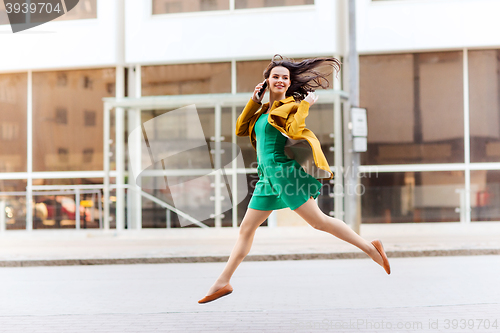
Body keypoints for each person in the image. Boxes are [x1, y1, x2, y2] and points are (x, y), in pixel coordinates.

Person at [198, 55, 390, 304]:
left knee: (319, 221)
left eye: (285, 78)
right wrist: (254, 101)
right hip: (267, 178)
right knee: (246, 229)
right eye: (275, 76)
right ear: (266, 81)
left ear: (289, 84)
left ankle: (370, 248)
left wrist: (305, 107)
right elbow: (240, 128)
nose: (280, 80)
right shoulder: (263, 110)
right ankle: (223, 282)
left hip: (283, 174)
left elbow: (294, 131)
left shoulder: (290, 106)